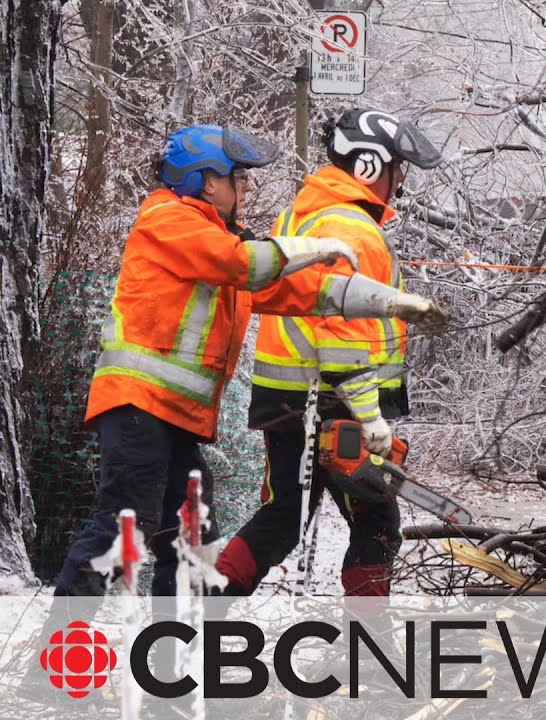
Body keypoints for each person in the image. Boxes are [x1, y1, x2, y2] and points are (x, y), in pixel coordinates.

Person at [53, 124, 448, 598]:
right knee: (124, 531)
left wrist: (387, 302)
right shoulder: (168, 221)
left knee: (191, 536)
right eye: (239, 177)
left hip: (174, 417)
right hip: (140, 407)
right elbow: (239, 264)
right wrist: (315, 249)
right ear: (206, 180)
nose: (248, 187)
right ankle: (60, 662)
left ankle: (172, 657)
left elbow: (296, 291)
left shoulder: (218, 238)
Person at [216, 108, 444, 597]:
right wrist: (370, 417)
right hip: (334, 397)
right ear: (369, 165)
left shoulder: (302, 213)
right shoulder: (355, 231)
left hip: (285, 393)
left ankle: (205, 607)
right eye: (396, 169)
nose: (398, 182)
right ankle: (370, 642)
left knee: (283, 514)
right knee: (377, 522)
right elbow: (341, 333)